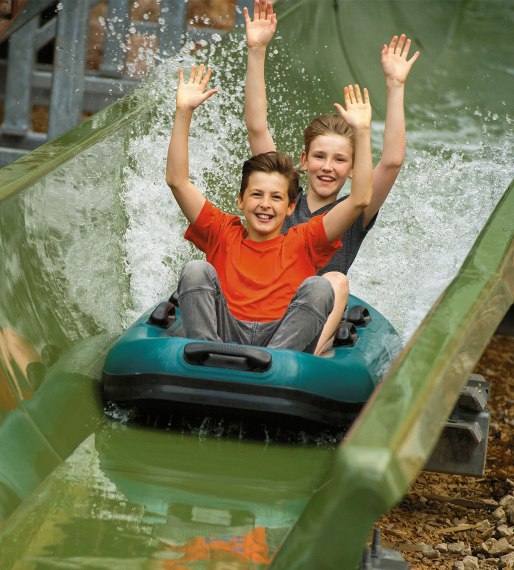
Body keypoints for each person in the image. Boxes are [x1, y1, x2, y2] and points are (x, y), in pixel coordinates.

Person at [243, 0, 420, 352]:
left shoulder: (355, 212)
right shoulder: (279, 199)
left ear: (353, 170)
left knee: (335, 280)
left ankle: (310, 357)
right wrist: (257, 50)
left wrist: (395, 86)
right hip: (265, 306)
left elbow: (392, 162)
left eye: (340, 160)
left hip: (312, 320)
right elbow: (256, 126)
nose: (328, 166)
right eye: (320, 156)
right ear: (304, 161)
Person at [166, 64, 373, 355]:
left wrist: (362, 132)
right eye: (256, 195)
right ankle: (206, 354)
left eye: (276, 197)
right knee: (196, 269)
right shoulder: (221, 230)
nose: (265, 204)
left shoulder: (305, 239)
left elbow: (360, 199)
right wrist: (184, 112)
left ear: (290, 206)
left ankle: (278, 365)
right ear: (240, 200)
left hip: (280, 343)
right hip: (224, 333)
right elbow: (177, 181)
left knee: (320, 286)